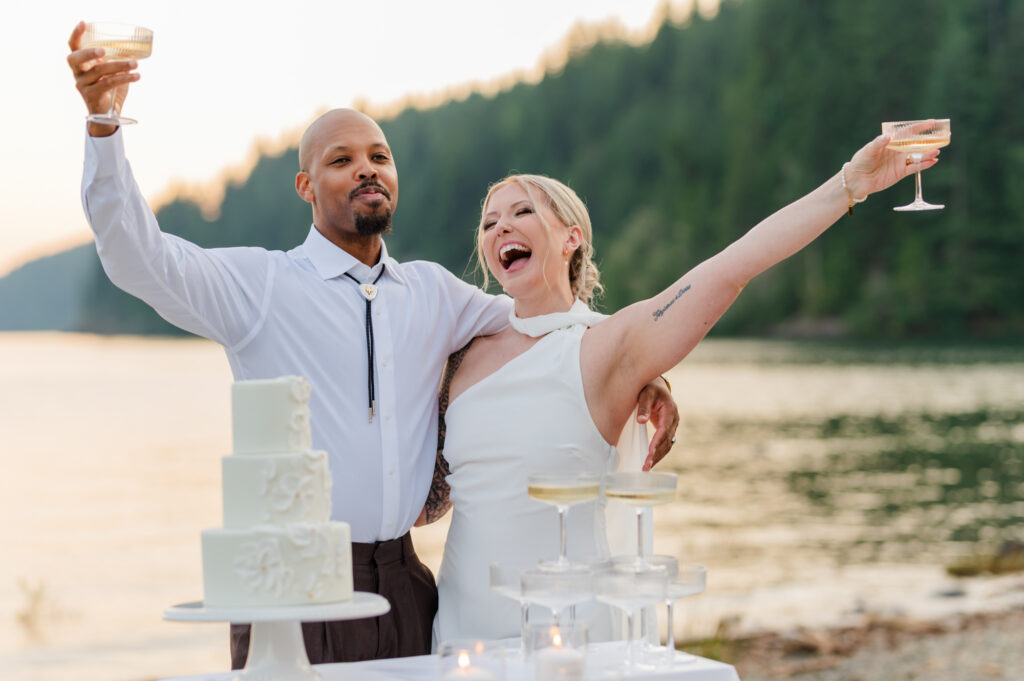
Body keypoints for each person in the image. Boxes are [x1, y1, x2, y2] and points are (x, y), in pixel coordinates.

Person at [64, 22, 679, 666]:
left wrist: (642, 370)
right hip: (298, 593)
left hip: (410, 590)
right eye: (340, 160)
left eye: (379, 157)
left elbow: (545, 321)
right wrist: (104, 129)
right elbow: (138, 257)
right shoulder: (260, 286)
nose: (366, 169)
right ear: (306, 187)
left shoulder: (435, 294)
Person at [427, 133, 941, 642]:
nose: (501, 228)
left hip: (567, 632)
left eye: (522, 212)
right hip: (460, 628)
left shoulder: (607, 348)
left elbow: (731, 268)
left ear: (571, 237)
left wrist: (849, 184)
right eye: (490, 222)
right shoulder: (463, 353)